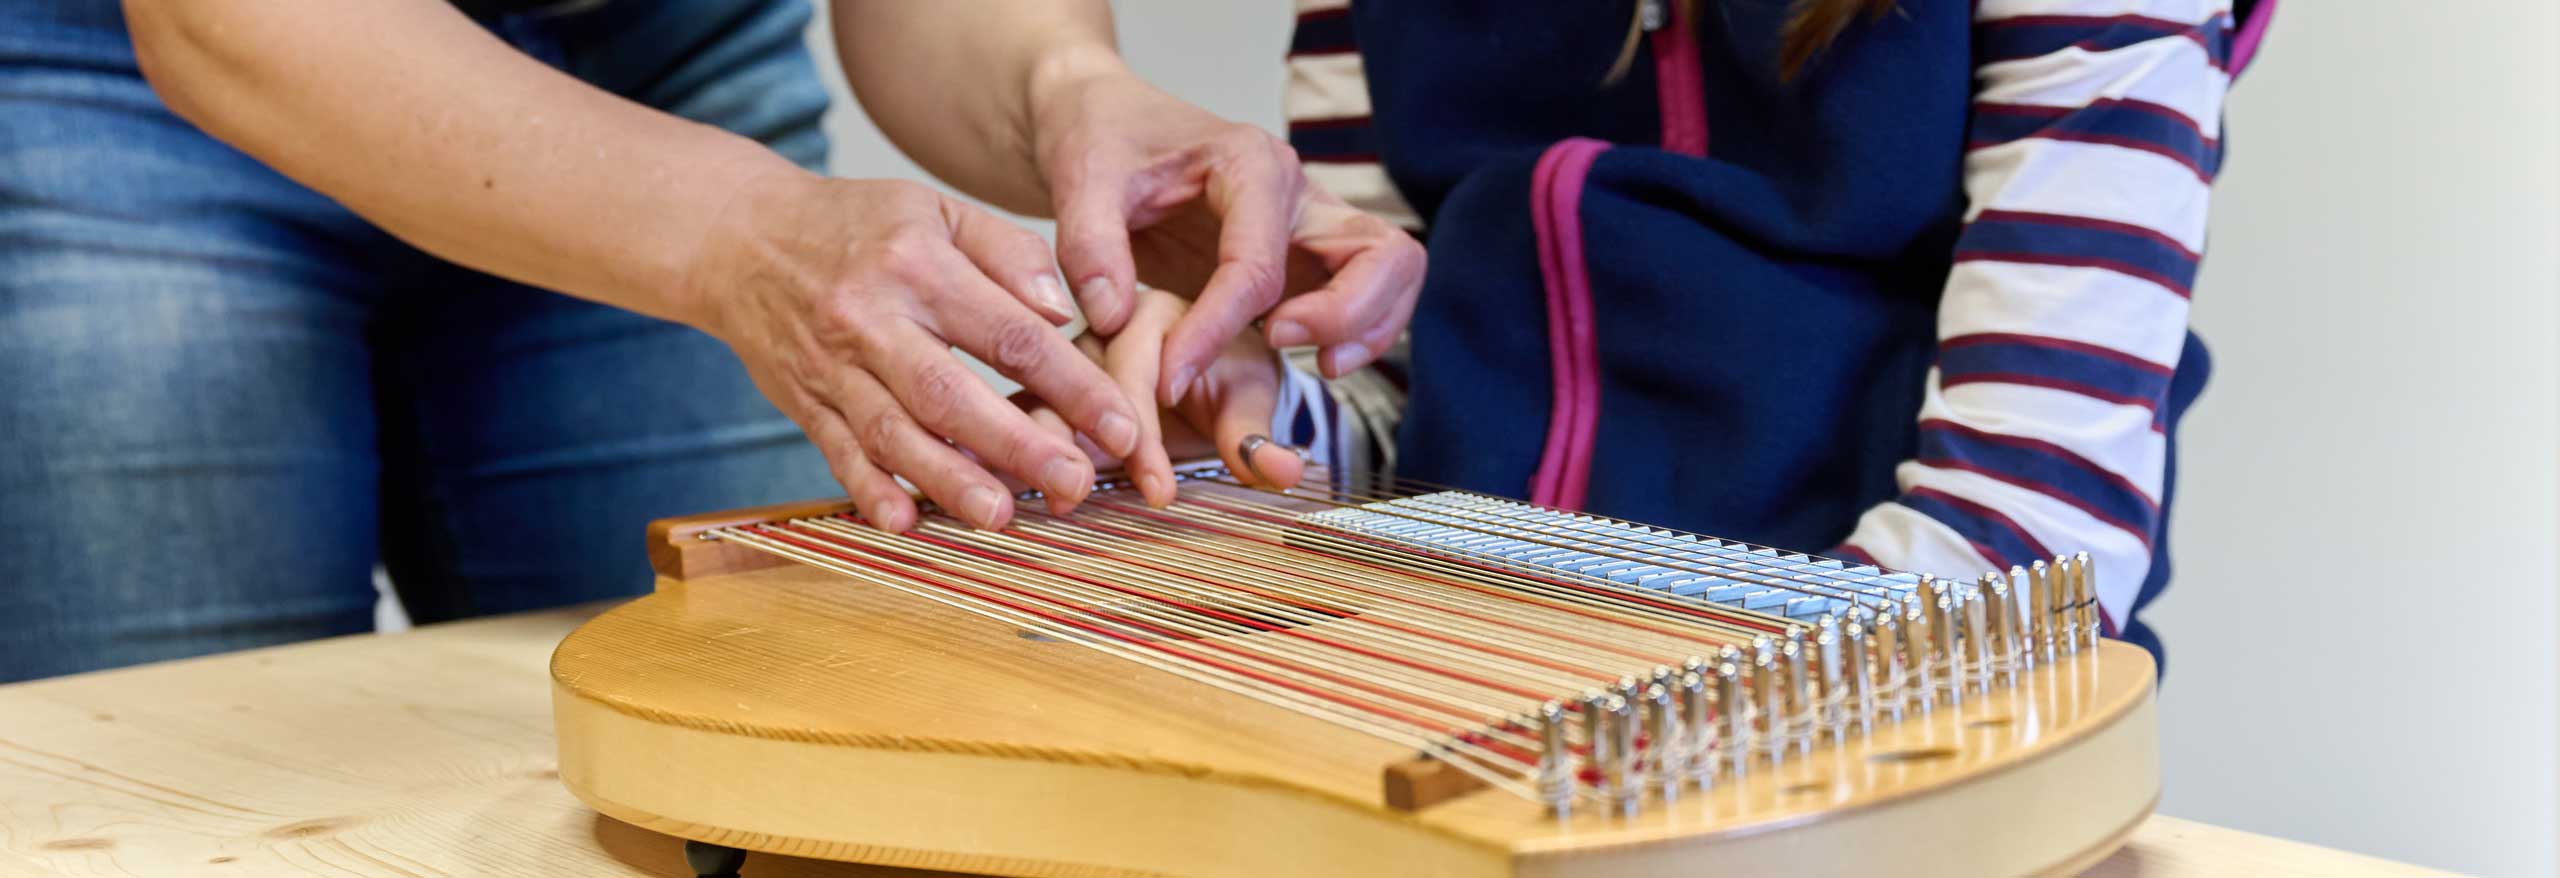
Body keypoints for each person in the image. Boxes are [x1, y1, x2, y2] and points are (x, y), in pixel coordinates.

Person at [0, 0, 1421, 682]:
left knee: (730, 734)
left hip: (659, 43)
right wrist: (744, 233)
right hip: (117, 73)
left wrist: (1065, 88)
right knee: (176, 756)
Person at [1276, 0, 2274, 669]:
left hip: (1873, 750)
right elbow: (1391, 390)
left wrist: (1620, 709)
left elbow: (2027, 550)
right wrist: (1264, 421)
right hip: (1446, 683)